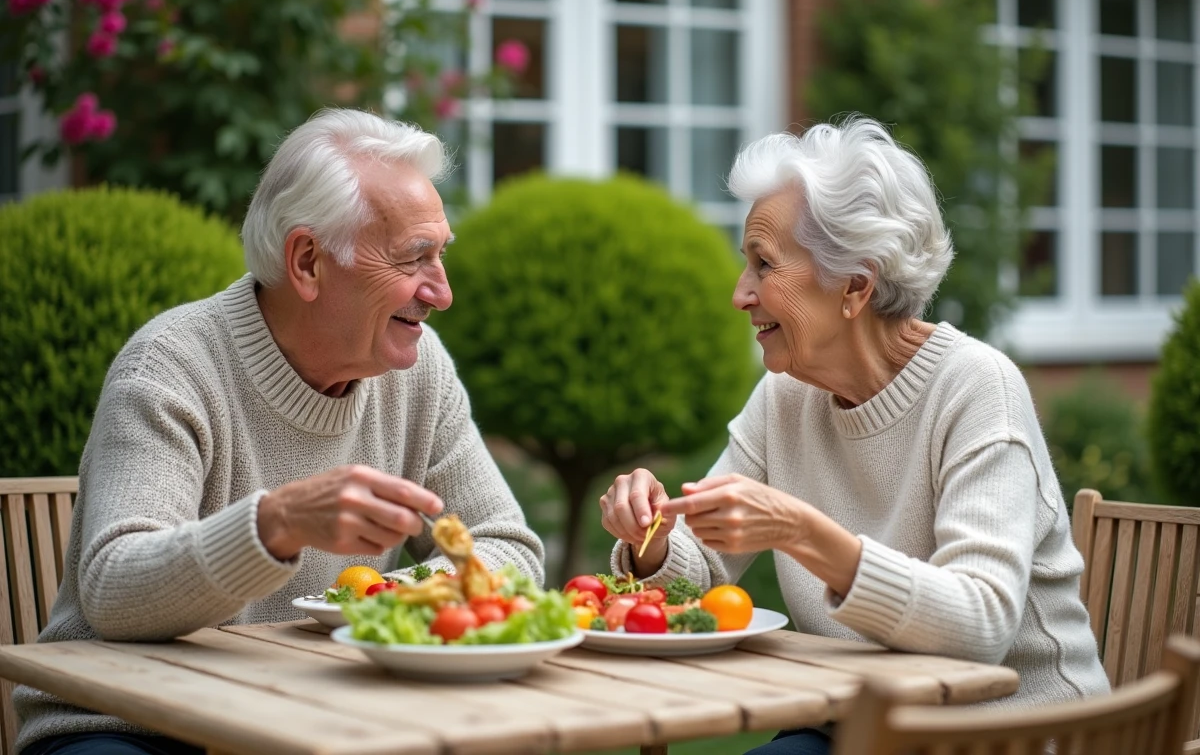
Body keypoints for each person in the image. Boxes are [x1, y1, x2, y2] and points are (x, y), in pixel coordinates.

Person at [16, 109, 544, 755]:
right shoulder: (171, 366)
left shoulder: (417, 370)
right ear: (307, 262)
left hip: (314, 723)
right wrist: (275, 524)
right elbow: (114, 589)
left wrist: (387, 597)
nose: (442, 292)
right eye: (416, 258)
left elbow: (508, 547)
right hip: (128, 726)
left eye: (441, 255)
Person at [599, 117, 1109, 755]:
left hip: (1007, 734)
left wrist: (803, 533)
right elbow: (700, 576)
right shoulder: (786, 395)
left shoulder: (977, 388)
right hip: (858, 726)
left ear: (856, 288)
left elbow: (982, 624)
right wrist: (652, 540)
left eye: (764, 264)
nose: (740, 293)